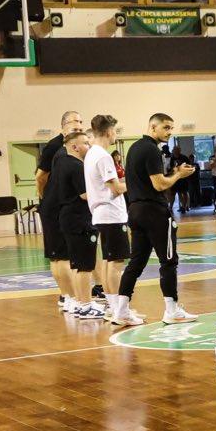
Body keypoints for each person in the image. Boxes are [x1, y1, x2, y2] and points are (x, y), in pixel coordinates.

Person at [117, 113, 197, 325]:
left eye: (171, 128)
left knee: (136, 262)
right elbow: (159, 184)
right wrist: (179, 175)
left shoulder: (134, 148)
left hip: (134, 211)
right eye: (166, 128)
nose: (170, 132)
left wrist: (173, 171)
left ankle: (121, 310)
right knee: (169, 260)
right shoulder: (151, 149)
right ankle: (172, 310)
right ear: (153, 127)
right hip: (154, 212)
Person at [81, 114, 135, 325]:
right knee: (116, 264)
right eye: (115, 130)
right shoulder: (103, 156)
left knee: (107, 261)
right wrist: (134, 181)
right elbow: (115, 188)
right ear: (108, 131)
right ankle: (119, 310)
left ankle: (114, 308)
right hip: (111, 214)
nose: (115, 134)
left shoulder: (92, 154)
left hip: (101, 213)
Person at [51, 131, 104, 320]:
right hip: (80, 219)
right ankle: (86, 305)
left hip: (68, 217)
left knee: (76, 264)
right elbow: (85, 194)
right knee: (84, 266)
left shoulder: (60, 163)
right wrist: (109, 191)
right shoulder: (76, 166)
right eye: (85, 143)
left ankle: (78, 302)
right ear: (75, 147)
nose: (89, 146)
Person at [36, 110, 85, 314]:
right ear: (63, 125)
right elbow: (40, 176)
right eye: (74, 123)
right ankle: (72, 298)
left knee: (59, 256)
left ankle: (68, 297)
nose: (79, 126)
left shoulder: (70, 149)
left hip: (56, 205)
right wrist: (45, 198)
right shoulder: (56, 147)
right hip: (54, 206)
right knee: (60, 256)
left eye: (81, 122)